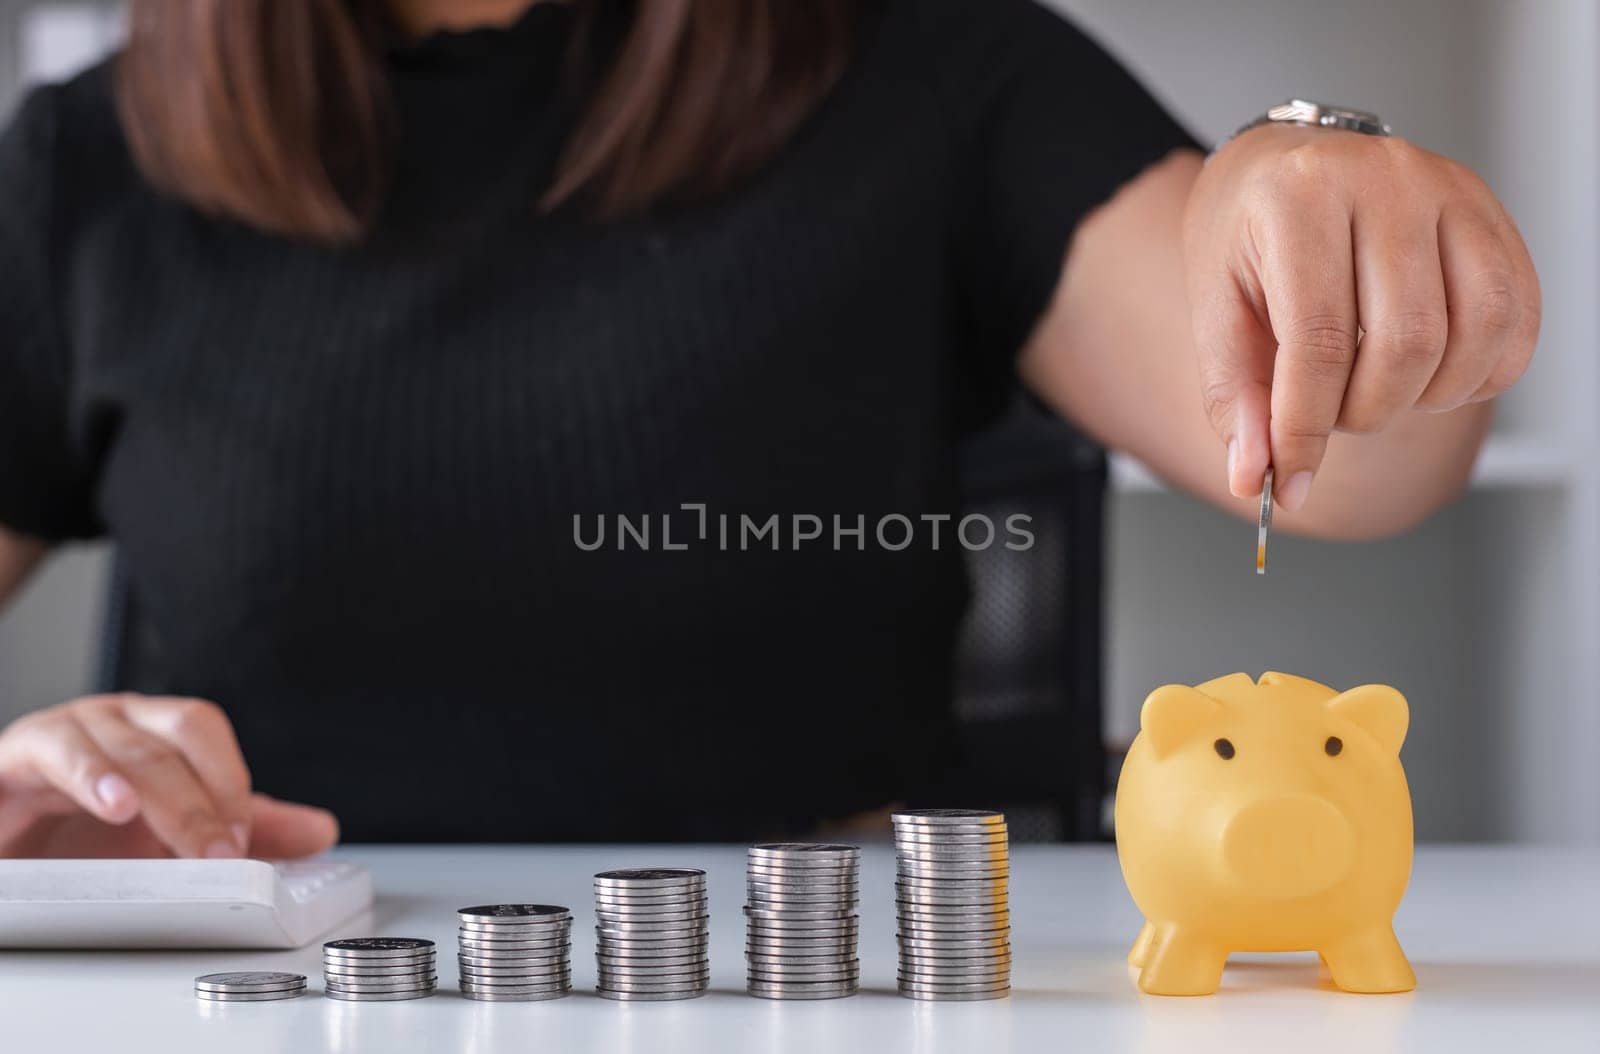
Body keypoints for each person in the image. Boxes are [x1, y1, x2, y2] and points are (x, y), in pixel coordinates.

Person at [0, 0, 1539, 855]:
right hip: (243, 988)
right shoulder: (78, 161)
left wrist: (1332, 210)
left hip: (817, 979)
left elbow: (1359, 465)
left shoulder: (943, 67)